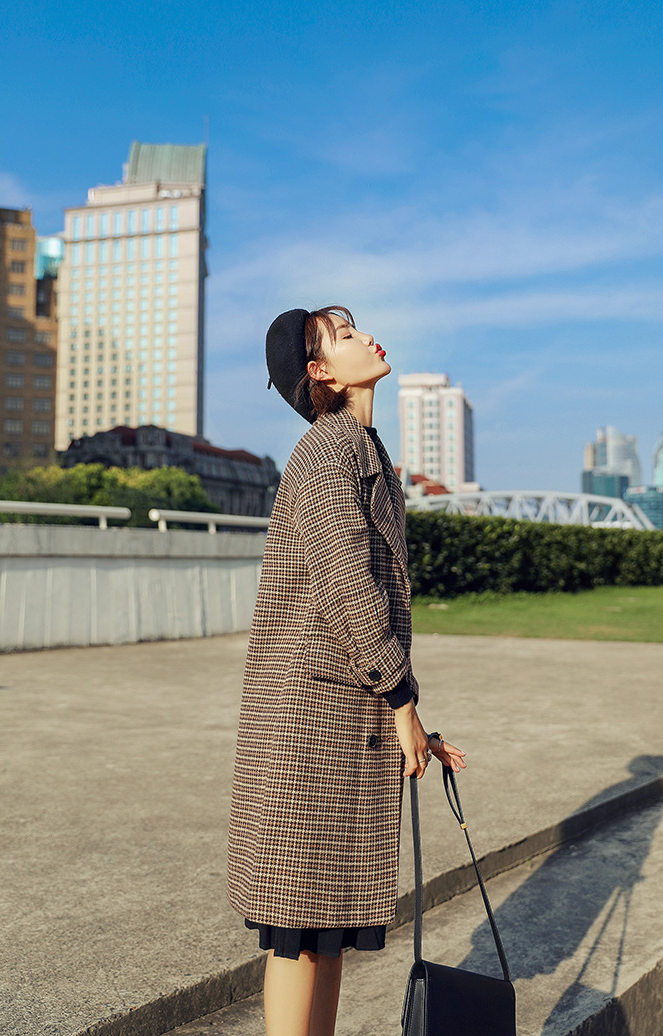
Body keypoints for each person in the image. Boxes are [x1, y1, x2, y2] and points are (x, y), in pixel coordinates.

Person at [227, 306, 466, 1036]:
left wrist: (410, 721)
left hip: (340, 720)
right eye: (345, 334)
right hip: (310, 727)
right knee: (299, 934)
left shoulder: (361, 450)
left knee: (324, 931)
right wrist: (403, 706)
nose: (367, 335)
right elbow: (346, 587)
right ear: (321, 371)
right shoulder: (327, 453)